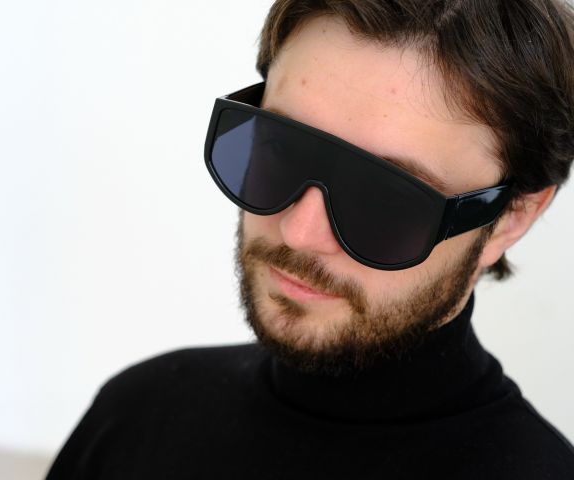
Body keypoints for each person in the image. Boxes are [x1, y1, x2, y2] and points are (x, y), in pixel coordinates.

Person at [47, 1, 574, 478]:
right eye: (283, 148)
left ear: (512, 217)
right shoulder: (137, 418)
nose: (299, 233)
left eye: (385, 196)